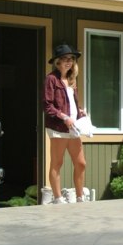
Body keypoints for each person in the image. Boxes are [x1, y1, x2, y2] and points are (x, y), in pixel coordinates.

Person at [43, 42, 87, 204]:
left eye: (72, 58)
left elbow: (73, 103)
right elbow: (47, 106)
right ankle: (57, 198)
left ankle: (80, 197)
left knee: (81, 163)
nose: (69, 61)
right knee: (57, 162)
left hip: (73, 126)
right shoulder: (51, 79)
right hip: (58, 127)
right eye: (65, 58)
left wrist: (81, 111)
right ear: (58, 61)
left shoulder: (71, 80)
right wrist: (64, 117)